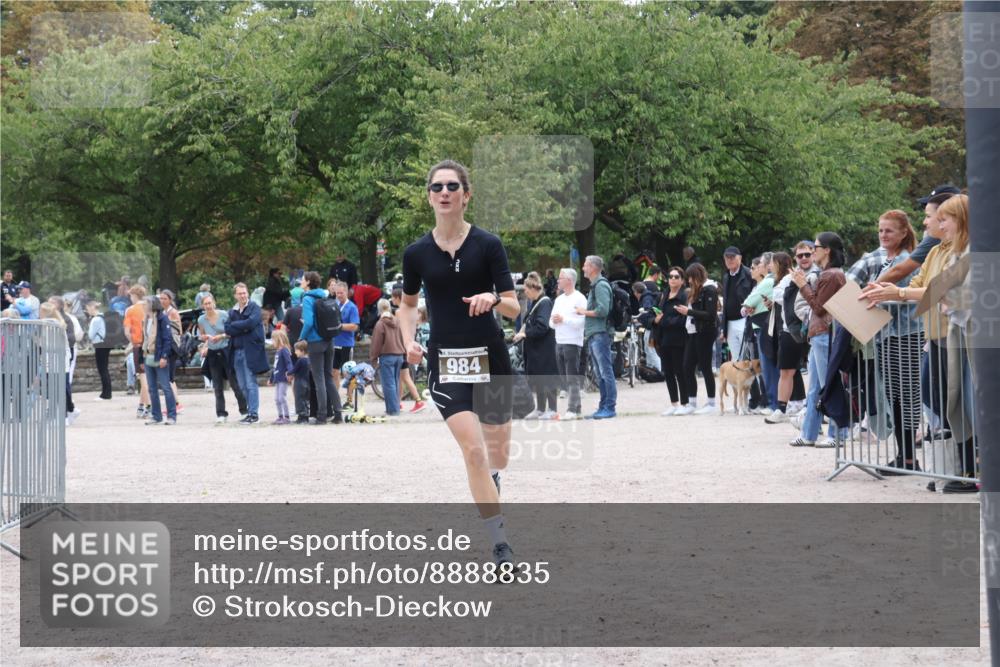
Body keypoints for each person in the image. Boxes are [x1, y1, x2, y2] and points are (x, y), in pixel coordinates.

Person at [397, 159, 521, 569]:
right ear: (429, 196)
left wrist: (493, 299)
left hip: (491, 358)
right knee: (473, 452)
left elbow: (514, 307)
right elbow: (409, 305)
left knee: (497, 453)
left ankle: (492, 480)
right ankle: (500, 544)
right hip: (447, 362)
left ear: (466, 195)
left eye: (452, 186)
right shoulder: (416, 253)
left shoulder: (488, 245)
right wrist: (409, 340)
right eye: (437, 187)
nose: (444, 192)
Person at [860, 192, 955, 440]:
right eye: (880, 230)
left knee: (917, 393)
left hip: (916, 333)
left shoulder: (935, 251)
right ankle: (910, 455)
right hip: (904, 333)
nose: (926, 221)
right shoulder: (935, 251)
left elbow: (933, 286)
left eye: (930, 215)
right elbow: (919, 282)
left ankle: (960, 462)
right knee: (899, 393)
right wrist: (885, 292)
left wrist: (891, 292)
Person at [789, 232, 849, 447]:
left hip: (825, 333)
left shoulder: (831, 275)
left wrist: (802, 285)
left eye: (815, 247)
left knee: (828, 386)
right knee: (815, 387)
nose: (812, 251)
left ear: (827, 250)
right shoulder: (827, 273)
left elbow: (818, 307)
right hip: (819, 334)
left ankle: (837, 434)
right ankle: (809, 432)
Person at [937, 195, 977, 492]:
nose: (940, 227)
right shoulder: (956, 253)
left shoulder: (977, 251)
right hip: (959, 333)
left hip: (977, 337)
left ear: (960, 220)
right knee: (958, 399)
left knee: (977, 401)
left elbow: (982, 294)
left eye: (944, 220)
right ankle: (968, 468)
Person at [577, 255, 617, 419]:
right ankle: (603, 406)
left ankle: (610, 407)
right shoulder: (595, 285)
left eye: (585, 265)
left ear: (593, 267)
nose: (583, 268)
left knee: (605, 371)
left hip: (601, 333)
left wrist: (583, 312)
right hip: (595, 334)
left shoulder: (601, 286)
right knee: (600, 373)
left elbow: (603, 310)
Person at [514, 272, 558, 419]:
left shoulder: (544, 302)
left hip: (544, 349)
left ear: (533, 288)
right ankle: (540, 409)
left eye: (526, 291)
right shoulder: (535, 303)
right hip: (535, 349)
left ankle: (552, 409)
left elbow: (542, 326)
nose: (526, 294)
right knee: (539, 378)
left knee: (547, 378)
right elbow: (528, 322)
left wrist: (525, 334)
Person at [300, 271, 343, 424]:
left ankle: (322, 415)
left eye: (303, 280)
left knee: (318, 379)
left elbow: (309, 322)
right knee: (328, 377)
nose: (301, 282)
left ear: (308, 282)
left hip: (315, 342)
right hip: (329, 340)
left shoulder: (307, 299)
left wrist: (301, 337)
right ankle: (338, 413)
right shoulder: (324, 295)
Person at [676, 263, 718, 415]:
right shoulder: (696, 290)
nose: (689, 281)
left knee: (705, 367)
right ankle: (692, 402)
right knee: (687, 366)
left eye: (691, 277)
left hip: (705, 332)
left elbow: (710, 315)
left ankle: (711, 402)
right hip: (693, 331)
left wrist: (689, 312)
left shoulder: (709, 289)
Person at [198, 294, 247, 423]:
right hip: (213, 352)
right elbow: (202, 336)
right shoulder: (201, 320)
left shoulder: (224, 315)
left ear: (214, 302)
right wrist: (204, 343)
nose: (208, 306)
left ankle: (244, 410)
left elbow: (231, 332)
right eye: (205, 304)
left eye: (210, 303)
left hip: (226, 351)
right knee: (217, 386)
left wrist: (221, 336)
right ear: (203, 305)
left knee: (234, 383)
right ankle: (221, 413)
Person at [225, 282, 269, 425]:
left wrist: (236, 326)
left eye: (244, 293)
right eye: (240, 293)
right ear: (235, 295)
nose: (243, 295)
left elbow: (251, 323)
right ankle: (249, 412)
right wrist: (242, 326)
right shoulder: (232, 311)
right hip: (236, 352)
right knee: (242, 385)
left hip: (250, 351)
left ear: (248, 293)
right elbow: (227, 329)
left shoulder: (255, 308)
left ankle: (254, 414)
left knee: (251, 383)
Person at [742, 254, 780, 413]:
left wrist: (748, 308)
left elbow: (747, 305)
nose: (753, 269)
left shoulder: (767, 282)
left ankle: (773, 403)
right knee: (767, 367)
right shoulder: (767, 282)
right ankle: (772, 402)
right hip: (762, 326)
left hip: (765, 327)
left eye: (756, 266)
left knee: (768, 367)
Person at [549, 267, 587, 420]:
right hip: (559, 340)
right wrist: (555, 321)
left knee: (572, 376)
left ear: (570, 280)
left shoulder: (580, 298)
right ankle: (576, 408)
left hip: (573, 341)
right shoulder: (558, 299)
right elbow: (550, 322)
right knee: (564, 378)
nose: (558, 280)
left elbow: (582, 322)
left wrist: (564, 319)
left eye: (561, 278)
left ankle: (571, 409)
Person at [654, 267, 690, 415]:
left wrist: (663, 321)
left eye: (676, 277)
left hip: (679, 338)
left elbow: (683, 319)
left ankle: (685, 403)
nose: (673, 279)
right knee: (668, 372)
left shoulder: (684, 296)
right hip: (663, 338)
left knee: (679, 371)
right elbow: (656, 313)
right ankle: (674, 403)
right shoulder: (664, 294)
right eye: (670, 276)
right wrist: (655, 320)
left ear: (682, 280)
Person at [139, 295, 176, 425]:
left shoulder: (162, 318)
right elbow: (143, 339)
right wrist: (141, 359)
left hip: (159, 356)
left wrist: (164, 356)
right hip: (147, 356)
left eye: (146, 303)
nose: (144, 306)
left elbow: (167, 339)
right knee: (152, 388)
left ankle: (171, 416)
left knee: (166, 387)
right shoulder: (145, 319)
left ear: (152, 305)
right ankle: (156, 416)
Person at [38, 302, 77, 425]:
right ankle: (67, 411)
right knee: (58, 387)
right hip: (54, 359)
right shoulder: (52, 325)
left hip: (58, 359)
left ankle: (64, 414)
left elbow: (51, 345)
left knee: (60, 387)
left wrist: (39, 342)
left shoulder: (53, 326)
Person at [370, 298, 406, 416]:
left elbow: (376, 343)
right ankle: (395, 407)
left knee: (388, 384)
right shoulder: (397, 321)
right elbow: (402, 337)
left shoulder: (380, 324)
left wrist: (373, 358)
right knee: (395, 382)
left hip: (387, 356)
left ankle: (393, 410)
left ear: (379, 310)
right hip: (399, 355)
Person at [721, 246, 753, 362]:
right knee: (736, 359)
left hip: (744, 320)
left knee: (749, 357)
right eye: (727, 257)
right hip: (730, 323)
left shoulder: (749, 274)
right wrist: (723, 328)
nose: (729, 260)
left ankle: (755, 381)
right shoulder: (726, 276)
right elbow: (725, 302)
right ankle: (740, 381)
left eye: (732, 257)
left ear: (740, 258)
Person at [123, 285, 150, 418]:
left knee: (142, 377)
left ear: (134, 295)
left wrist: (132, 341)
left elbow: (127, 331)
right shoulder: (149, 307)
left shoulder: (130, 310)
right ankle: (141, 406)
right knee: (147, 375)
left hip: (138, 345)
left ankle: (149, 406)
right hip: (151, 345)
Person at [332, 279, 361, 397]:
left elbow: (355, 326)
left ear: (347, 292)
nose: (339, 295)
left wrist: (340, 327)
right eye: (337, 293)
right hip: (334, 343)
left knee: (348, 373)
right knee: (334, 372)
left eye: (341, 293)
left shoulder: (352, 307)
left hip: (346, 344)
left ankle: (349, 399)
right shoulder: (334, 305)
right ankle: (335, 397)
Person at [85, 300, 114, 400]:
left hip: (99, 345)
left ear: (92, 307)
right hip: (106, 344)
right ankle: (107, 392)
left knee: (102, 369)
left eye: (87, 308)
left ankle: (106, 394)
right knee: (104, 368)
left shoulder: (95, 319)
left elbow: (90, 335)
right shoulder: (102, 316)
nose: (87, 310)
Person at [269, 328, 293, 424]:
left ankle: (286, 417)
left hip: (283, 378)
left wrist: (290, 372)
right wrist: (271, 379)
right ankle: (280, 416)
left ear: (279, 339)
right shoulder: (278, 352)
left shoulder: (284, 350)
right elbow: (275, 367)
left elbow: (288, 362)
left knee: (281, 397)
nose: (272, 342)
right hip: (278, 378)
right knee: (277, 398)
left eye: (273, 339)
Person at [289, 340, 311, 423]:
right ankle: (305, 416)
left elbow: (294, 370)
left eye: (296, 350)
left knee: (299, 399)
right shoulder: (309, 360)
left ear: (302, 350)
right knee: (305, 400)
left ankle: (302, 416)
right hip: (307, 382)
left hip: (300, 382)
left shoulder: (301, 360)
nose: (295, 352)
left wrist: (288, 373)